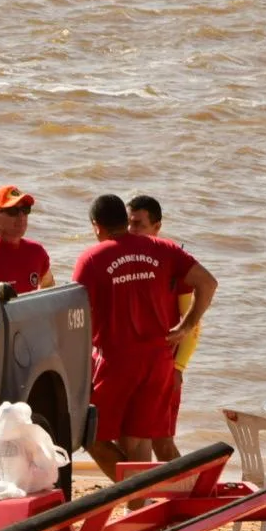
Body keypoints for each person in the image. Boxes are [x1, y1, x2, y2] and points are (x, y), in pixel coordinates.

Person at [71, 194, 217, 483]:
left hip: (116, 362)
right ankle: (143, 515)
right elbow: (208, 283)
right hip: (158, 361)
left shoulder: (91, 258)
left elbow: (75, 317)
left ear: (96, 226)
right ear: (125, 221)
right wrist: (187, 326)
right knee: (137, 442)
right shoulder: (163, 248)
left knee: (88, 435)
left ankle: (136, 497)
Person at [126, 194, 202, 462]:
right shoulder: (126, 262)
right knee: (138, 438)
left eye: (138, 224)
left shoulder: (173, 262)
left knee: (163, 444)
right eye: (128, 224)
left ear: (157, 227)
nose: (131, 231)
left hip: (165, 368)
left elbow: (192, 324)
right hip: (139, 368)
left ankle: (192, 495)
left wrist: (179, 368)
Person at [0, 185, 55, 294]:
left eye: (25, 210)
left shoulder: (37, 252)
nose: (21, 217)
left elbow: (49, 287)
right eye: (13, 211)